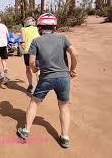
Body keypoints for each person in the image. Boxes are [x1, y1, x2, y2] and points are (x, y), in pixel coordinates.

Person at [17, 13, 78, 148]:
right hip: (63, 78)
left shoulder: (36, 41)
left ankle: (26, 130)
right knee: (63, 106)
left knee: (34, 103)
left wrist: (34, 70)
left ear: (39, 27)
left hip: (46, 78)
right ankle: (65, 137)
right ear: (54, 27)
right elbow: (74, 53)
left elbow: (32, 61)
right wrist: (73, 69)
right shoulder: (62, 38)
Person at [21, 17, 40, 92]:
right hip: (37, 51)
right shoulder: (37, 29)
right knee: (37, 69)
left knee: (28, 68)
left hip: (27, 51)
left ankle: (30, 85)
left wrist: (22, 45)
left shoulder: (23, 29)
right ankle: (39, 87)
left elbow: (23, 41)